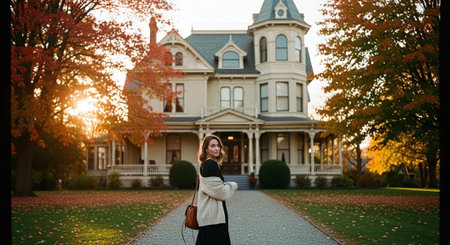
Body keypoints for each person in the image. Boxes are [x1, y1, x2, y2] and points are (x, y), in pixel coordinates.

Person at [196, 134, 238, 245]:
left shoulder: (205, 165)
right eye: (212, 146)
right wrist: (232, 185)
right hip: (214, 217)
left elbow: (214, 189)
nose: (217, 148)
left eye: (218, 145)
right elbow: (221, 193)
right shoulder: (211, 165)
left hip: (208, 215)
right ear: (206, 149)